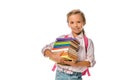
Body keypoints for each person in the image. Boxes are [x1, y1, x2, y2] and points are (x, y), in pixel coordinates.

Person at [41, 9, 96, 80]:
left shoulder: (88, 42)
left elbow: (90, 62)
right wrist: (53, 56)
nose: (75, 25)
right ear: (68, 24)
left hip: (76, 76)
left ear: (84, 22)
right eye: (72, 22)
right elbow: (45, 49)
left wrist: (76, 64)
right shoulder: (63, 38)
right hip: (60, 74)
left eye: (78, 22)